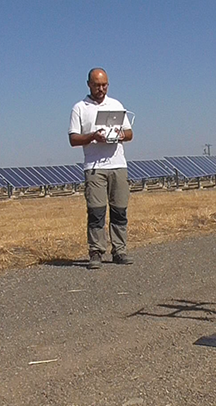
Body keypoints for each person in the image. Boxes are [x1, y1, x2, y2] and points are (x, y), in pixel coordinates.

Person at [68, 68, 134, 270]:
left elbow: (130, 133)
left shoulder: (116, 105)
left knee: (119, 210)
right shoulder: (80, 108)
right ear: (88, 84)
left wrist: (120, 135)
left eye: (104, 85)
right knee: (96, 211)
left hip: (118, 165)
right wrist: (92, 137)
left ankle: (119, 250)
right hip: (95, 167)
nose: (101, 89)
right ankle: (96, 251)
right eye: (97, 85)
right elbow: (73, 139)